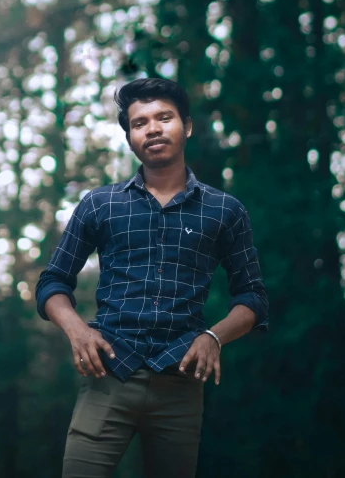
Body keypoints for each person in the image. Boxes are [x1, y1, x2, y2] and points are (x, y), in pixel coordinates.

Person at [36, 78, 268, 478]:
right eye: (140, 123)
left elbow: (252, 296)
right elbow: (53, 282)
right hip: (108, 374)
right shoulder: (99, 203)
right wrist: (76, 330)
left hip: (180, 381)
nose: (154, 128)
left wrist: (214, 338)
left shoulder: (225, 210)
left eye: (165, 117)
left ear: (187, 126)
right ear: (129, 137)